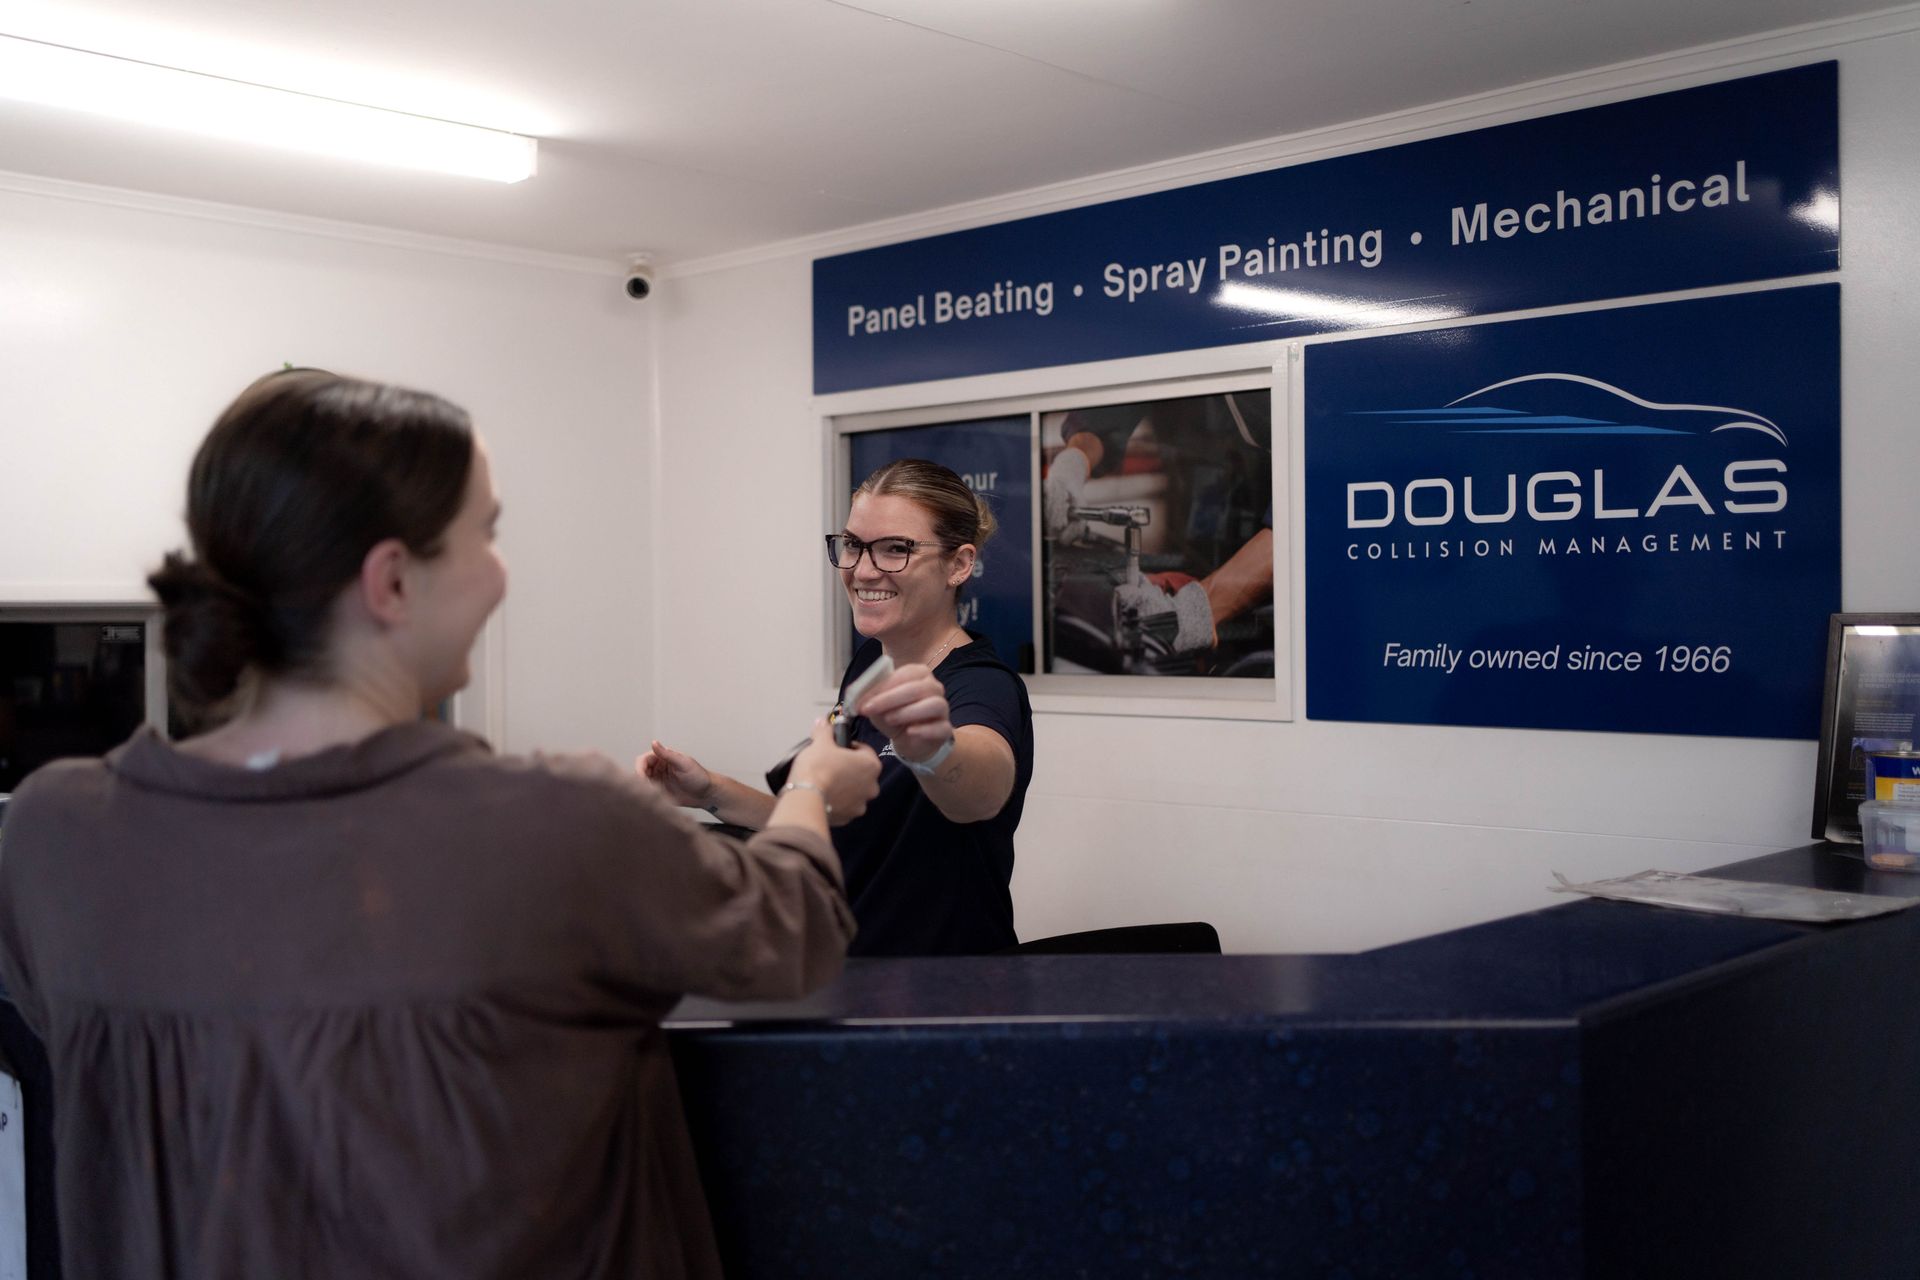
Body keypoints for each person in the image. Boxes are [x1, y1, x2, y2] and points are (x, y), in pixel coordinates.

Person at [0, 369, 879, 1280]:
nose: (501, 574)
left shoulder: (52, 834)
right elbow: (791, 938)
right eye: (485, 535)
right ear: (391, 581)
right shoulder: (562, 821)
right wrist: (813, 786)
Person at [643, 459, 1033, 956]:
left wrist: (936, 749)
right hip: (856, 971)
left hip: (944, 991)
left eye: (897, 550)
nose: (863, 569)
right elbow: (829, 819)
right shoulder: (872, 661)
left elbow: (983, 792)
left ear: (958, 565)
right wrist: (708, 790)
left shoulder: (981, 684)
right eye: (853, 545)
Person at [1044, 393, 1274, 655]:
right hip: (1203, 528)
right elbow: (1112, 403)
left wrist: (1197, 609)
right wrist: (1074, 460)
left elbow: (1309, 511)